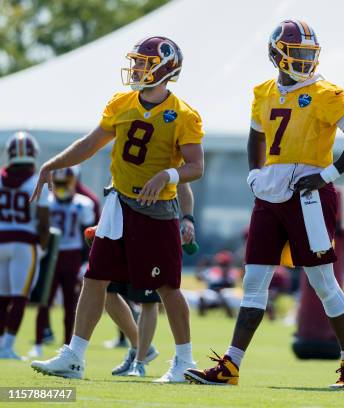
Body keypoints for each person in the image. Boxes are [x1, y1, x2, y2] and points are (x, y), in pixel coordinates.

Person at [184, 19, 344, 389]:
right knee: (254, 282)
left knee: (322, 283)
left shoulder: (327, 92)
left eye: (308, 54)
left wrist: (327, 175)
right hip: (269, 195)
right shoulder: (263, 91)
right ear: (276, 55)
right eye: (296, 53)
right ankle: (231, 366)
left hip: (309, 196)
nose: (304, 60)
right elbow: (255, 137)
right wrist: (254, 173)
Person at [30, 36, 204, 382]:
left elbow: (196, 166)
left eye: (144, 63)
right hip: (118, 204)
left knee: (167, 286)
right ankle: (75, 355)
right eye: (137, 62)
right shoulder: (121, 103)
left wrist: (167, 174)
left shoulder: (184, 115)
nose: (137, 69)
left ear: (165, 68)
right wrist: (52, 163)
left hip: (156, 211)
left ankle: (184, 361)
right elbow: (90, 144)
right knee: (94, 279)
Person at [108, 182, 196, 377]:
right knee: (104, 288)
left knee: (150, 297)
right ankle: (139, 346)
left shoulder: (166, 155)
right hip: (122, 220)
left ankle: (139, 361)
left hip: (155, 221)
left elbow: (185, 178)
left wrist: (188, 218)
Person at [29, 166, 96, 358]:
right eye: (58, 183)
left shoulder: (84, 204)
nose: (61, 187)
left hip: (73, 256)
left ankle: (67, 345)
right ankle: (39, 342)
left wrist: (86, 261)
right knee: (45, 301)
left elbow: (88, 238)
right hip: (51, 255)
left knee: (71, 304)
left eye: (64, 183)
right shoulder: (48, 202)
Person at [0, 132, 50, 360]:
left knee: (2, 296)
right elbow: (43, 219)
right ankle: (7, 346)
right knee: (20, 296)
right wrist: (44, 245)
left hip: (1, 241)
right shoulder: (36, 180)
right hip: (24, 243)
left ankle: (2, 343)